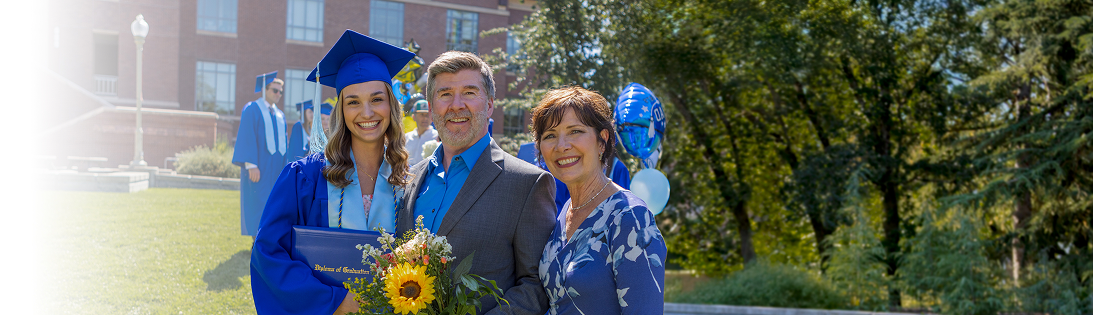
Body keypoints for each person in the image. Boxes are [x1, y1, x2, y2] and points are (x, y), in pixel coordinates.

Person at [250, 30, 414, 315]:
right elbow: (268, 253)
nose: (366, 112)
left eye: (377, 99)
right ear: (341, 109)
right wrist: (334, 302)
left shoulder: (409, 179)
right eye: (353, 101)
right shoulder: (304, 177)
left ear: (391, 105)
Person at [395, 51, 556, 315]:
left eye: (469, 93)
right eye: (445, 94)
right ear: (431, 106)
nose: (456, 105)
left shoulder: (527, 184)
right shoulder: (409, 179)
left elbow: (536, 286)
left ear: (490, 104)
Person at [531, 86, 666, 314]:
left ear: (602, 140)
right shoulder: (565, 212)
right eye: (550, 136)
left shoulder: (630, 217)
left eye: (575, 131)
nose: (561, 145)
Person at [232, 71, 288, 238]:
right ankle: (255, 240)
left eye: (280, 91)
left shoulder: (280, 115)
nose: (278, 94)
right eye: (274, 90)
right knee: (257, 202)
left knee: (273, 204)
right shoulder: (252, 109)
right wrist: (251, 165)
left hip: (276, 169)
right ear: (264, 90)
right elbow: (247, 136)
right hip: (260, 168)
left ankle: (269, 238)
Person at [404, 99, 437, 166]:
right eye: (421, 114)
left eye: (427, 115)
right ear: (414, 117)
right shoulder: (406, 137)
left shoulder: (437, 137)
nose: (425, 118)